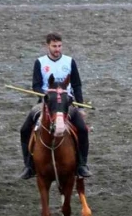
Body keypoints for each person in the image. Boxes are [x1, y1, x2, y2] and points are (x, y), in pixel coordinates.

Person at [19, 32, 91, 179]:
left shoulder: (70, 61)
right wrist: (46, 96)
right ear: (47, 46)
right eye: (54, 46)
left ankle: (82, 164)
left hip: (66, 103)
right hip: (45, 104)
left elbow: (76, 85)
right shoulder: (40, 62)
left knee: (83, 129)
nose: (57, 49)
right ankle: (29, 165)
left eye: (59, 46)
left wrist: (81, 107)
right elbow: (36, 85)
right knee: (24, 129)